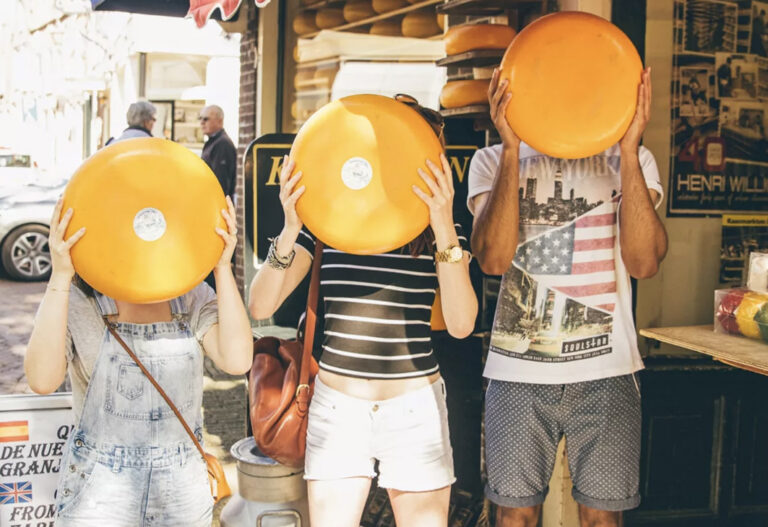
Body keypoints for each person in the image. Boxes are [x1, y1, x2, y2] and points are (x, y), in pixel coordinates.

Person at [248, 95, 478, 527]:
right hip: (339, 410)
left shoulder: (438, 230)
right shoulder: (329, 222)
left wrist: (444, 223)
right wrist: (291, 227)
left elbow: (463, 324)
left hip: (415, 409)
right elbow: (260, 305)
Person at [468, 67, 668, 527]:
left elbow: (644, 264)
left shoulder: (633, 159)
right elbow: (493, 260)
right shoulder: (492, 160)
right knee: (513, 515)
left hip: (609, 369)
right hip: (518, 369)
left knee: (602, 518)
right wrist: (513, 148)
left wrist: (630, 148)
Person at [25, 195, 253, 526]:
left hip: (181, 490)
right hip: (98, 490)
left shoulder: (190, 296)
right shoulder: (78, 299)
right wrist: (60, 277)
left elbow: (237, 359)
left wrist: (221, 269)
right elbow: (42, 380)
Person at [200, 105, 237, 201]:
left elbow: (221, 181)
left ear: (219, 121)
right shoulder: (214, 142)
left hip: (217, 205)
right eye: (200, 119)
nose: (202, 122)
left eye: (206, 119)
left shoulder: (222, 144)